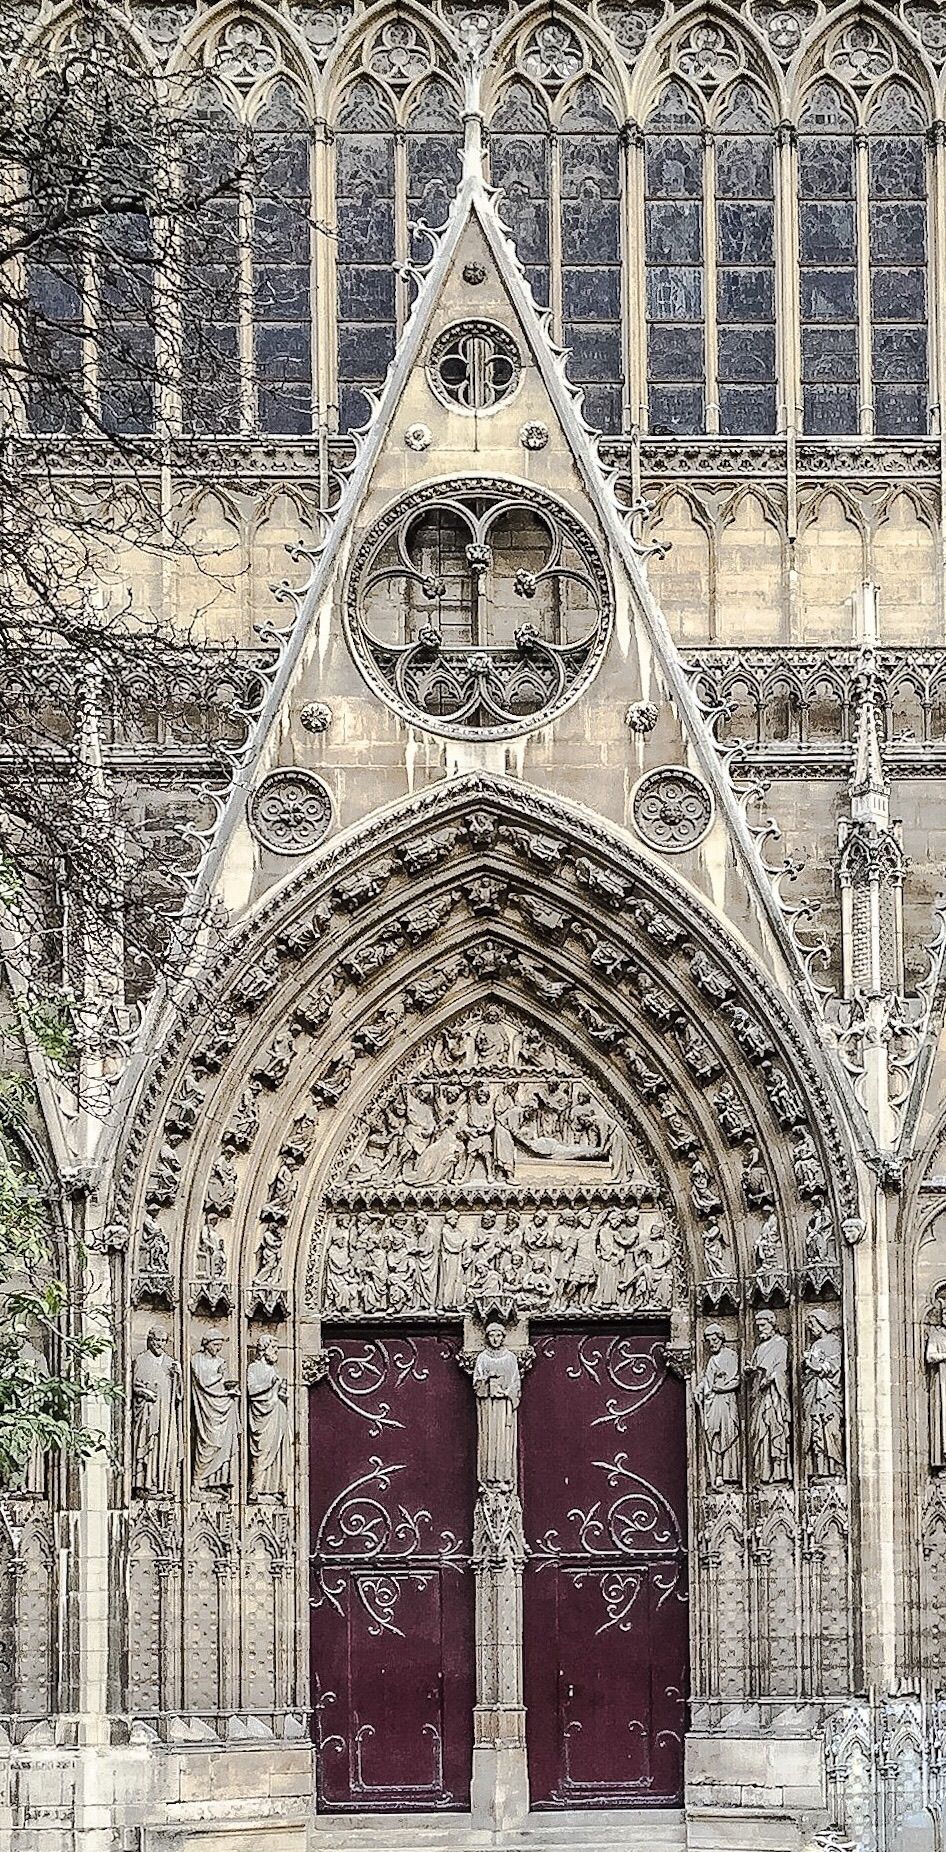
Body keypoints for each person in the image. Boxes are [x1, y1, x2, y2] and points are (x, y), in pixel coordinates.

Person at [131, 1328, 183, 1496]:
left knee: (168, 1446)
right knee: (149, 1445)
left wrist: (178, 1376)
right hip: (149, 1411)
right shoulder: (141, 1359)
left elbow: (179, 1395)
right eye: (156, 1340)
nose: (159, 1344)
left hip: (167, 1414)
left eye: (163, 1341)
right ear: (150, 1340)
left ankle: (164, 1485)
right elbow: (135, 1386)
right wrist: (146, 1393)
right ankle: (146, 1484)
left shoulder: (170, 1362)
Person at [472, 1322, 522, 1488]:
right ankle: (488, 1479)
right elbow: (477, 1383)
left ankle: (504, 1477)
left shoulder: (511, 1358)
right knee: (489, 1440)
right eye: (492, 1335)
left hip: (505, 1407)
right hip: (488, 1407)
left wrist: (507, 1392)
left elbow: (516, 1383)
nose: (495, 1339)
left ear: (503, 1337)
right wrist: (487, 1380)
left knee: (504, 1442)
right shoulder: (482, 1358)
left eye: (498, 1335)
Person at [191, 1336, 239, 1491]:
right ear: (206, 1343)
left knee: (223, 1443)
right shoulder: (197, 1359)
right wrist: (219, 1375)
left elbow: (225, 1383)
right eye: (216, 1344)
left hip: (223, 1406)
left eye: (220, 1345)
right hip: (206, 1408)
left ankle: (216, 1482)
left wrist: (231, 1391)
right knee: (208, 1442)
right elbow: (202, 1382)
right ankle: (199, 1481)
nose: (218, 1348)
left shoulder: (221, 1362)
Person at [695, 1324, 741, 1484]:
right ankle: (717, 1474)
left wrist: (723, 1387)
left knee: (728, 1434)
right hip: (714, 1402)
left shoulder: (731, 1355)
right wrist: (699, 1388)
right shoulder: (712, 1360)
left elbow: (737, 1379)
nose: (712, 1344)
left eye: (714, 1340)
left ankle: (730, 1474)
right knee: (715, 1435)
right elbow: (707, 1380)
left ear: (721, 1339)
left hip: (727, 1400)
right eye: (708, 1341)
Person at [748, 1312, 791, 1483]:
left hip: (774, 1395)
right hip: (760, 1395)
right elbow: (755, 1366)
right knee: (761, 1432)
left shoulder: (781, 1344)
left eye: (763, 1326)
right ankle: (764, 1471)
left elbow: (782, 1368)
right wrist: (750, 1370)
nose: (760, 1330)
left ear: (772, 1324)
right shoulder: (759, 1348)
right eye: (758, 1326)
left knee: (775, 1429)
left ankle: (779, 1472)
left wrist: (771, 1378)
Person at [246, 1340, 288, 1500]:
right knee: (261, 1452)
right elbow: (251, 1389)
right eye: (274, 1348)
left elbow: (278, 1393)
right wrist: (269, 1384)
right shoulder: (254, 1368)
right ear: (264, 1349)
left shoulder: (273, 1369)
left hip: (277, 1412)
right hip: (261, 1415)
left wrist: (282, 1391)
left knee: (276, 1451)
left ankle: (272, 1488)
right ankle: (255, 1489)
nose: (276, 1351)